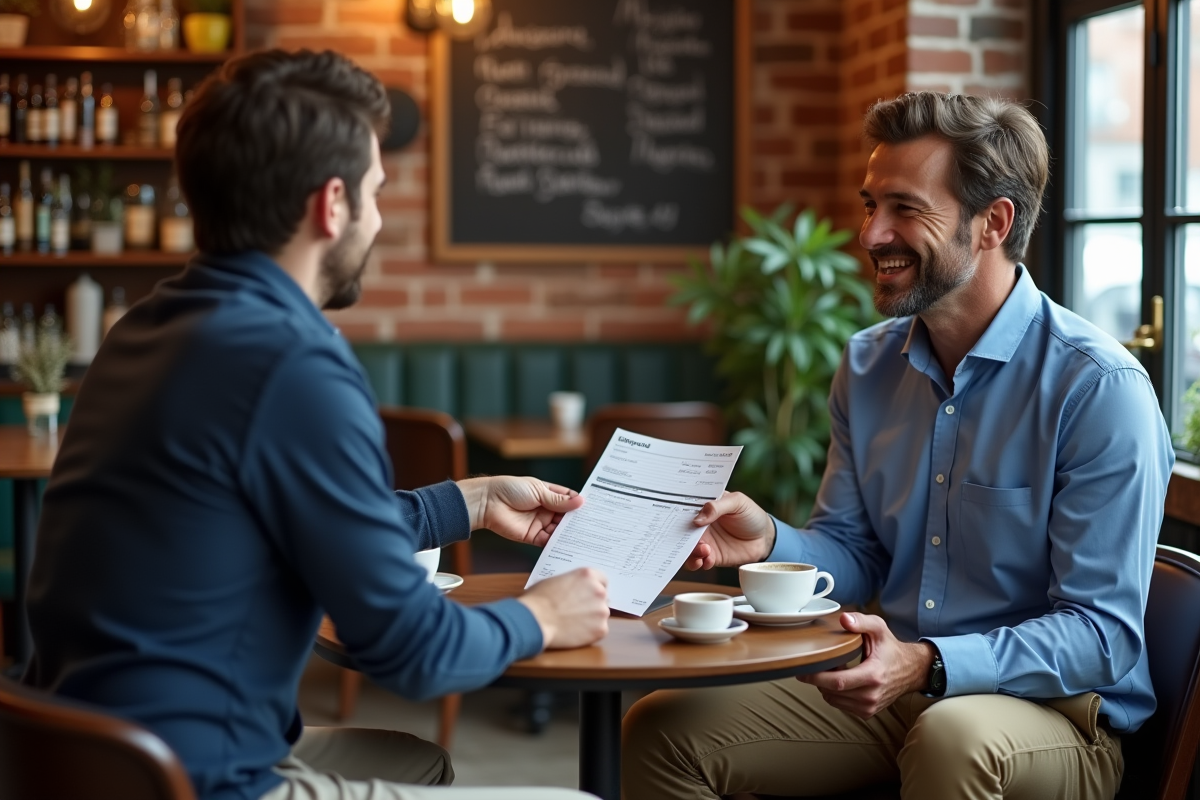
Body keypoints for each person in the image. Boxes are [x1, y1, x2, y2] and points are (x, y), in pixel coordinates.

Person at [24, 49, 609, 800]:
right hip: (199, 784)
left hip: (82, 757)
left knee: (417, 765)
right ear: (331, 205)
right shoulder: (292, 363)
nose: (379, 217)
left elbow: (287, 522)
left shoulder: (148, 328)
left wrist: (470, 501)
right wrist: (541, 616)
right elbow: (414, 653)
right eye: (375, 192)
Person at [621, 92, 1175, 799]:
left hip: (1060, 717)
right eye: (869, 203)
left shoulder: (1098, 388)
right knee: (664, 731)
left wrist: (929, 662)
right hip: (904, 688)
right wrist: (770, 542)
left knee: (953, 740)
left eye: (905, 209)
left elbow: (1102, 637)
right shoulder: (866, 366)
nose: (870, 232)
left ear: (992, 223)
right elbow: (853, 556)